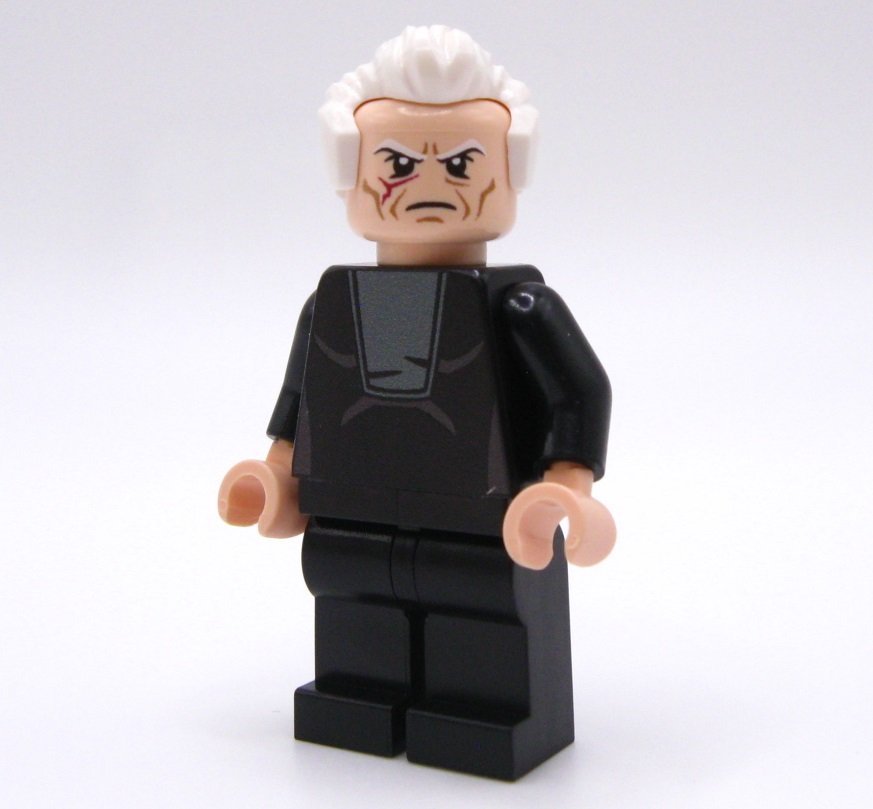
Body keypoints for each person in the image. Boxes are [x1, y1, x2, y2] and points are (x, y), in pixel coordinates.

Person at [218, 25, 615, 780]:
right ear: (350, 169)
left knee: (481, 609)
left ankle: (481, 709)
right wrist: (276, 474)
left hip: (481, 519)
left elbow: (579, 389)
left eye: (462, 162)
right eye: (397, 163)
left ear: (509, 167)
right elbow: (302, 396)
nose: (430, 182)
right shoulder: (336, 304)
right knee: (350, 592)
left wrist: (567, 487)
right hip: (352, 512)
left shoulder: (518, 306)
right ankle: (359, 691)